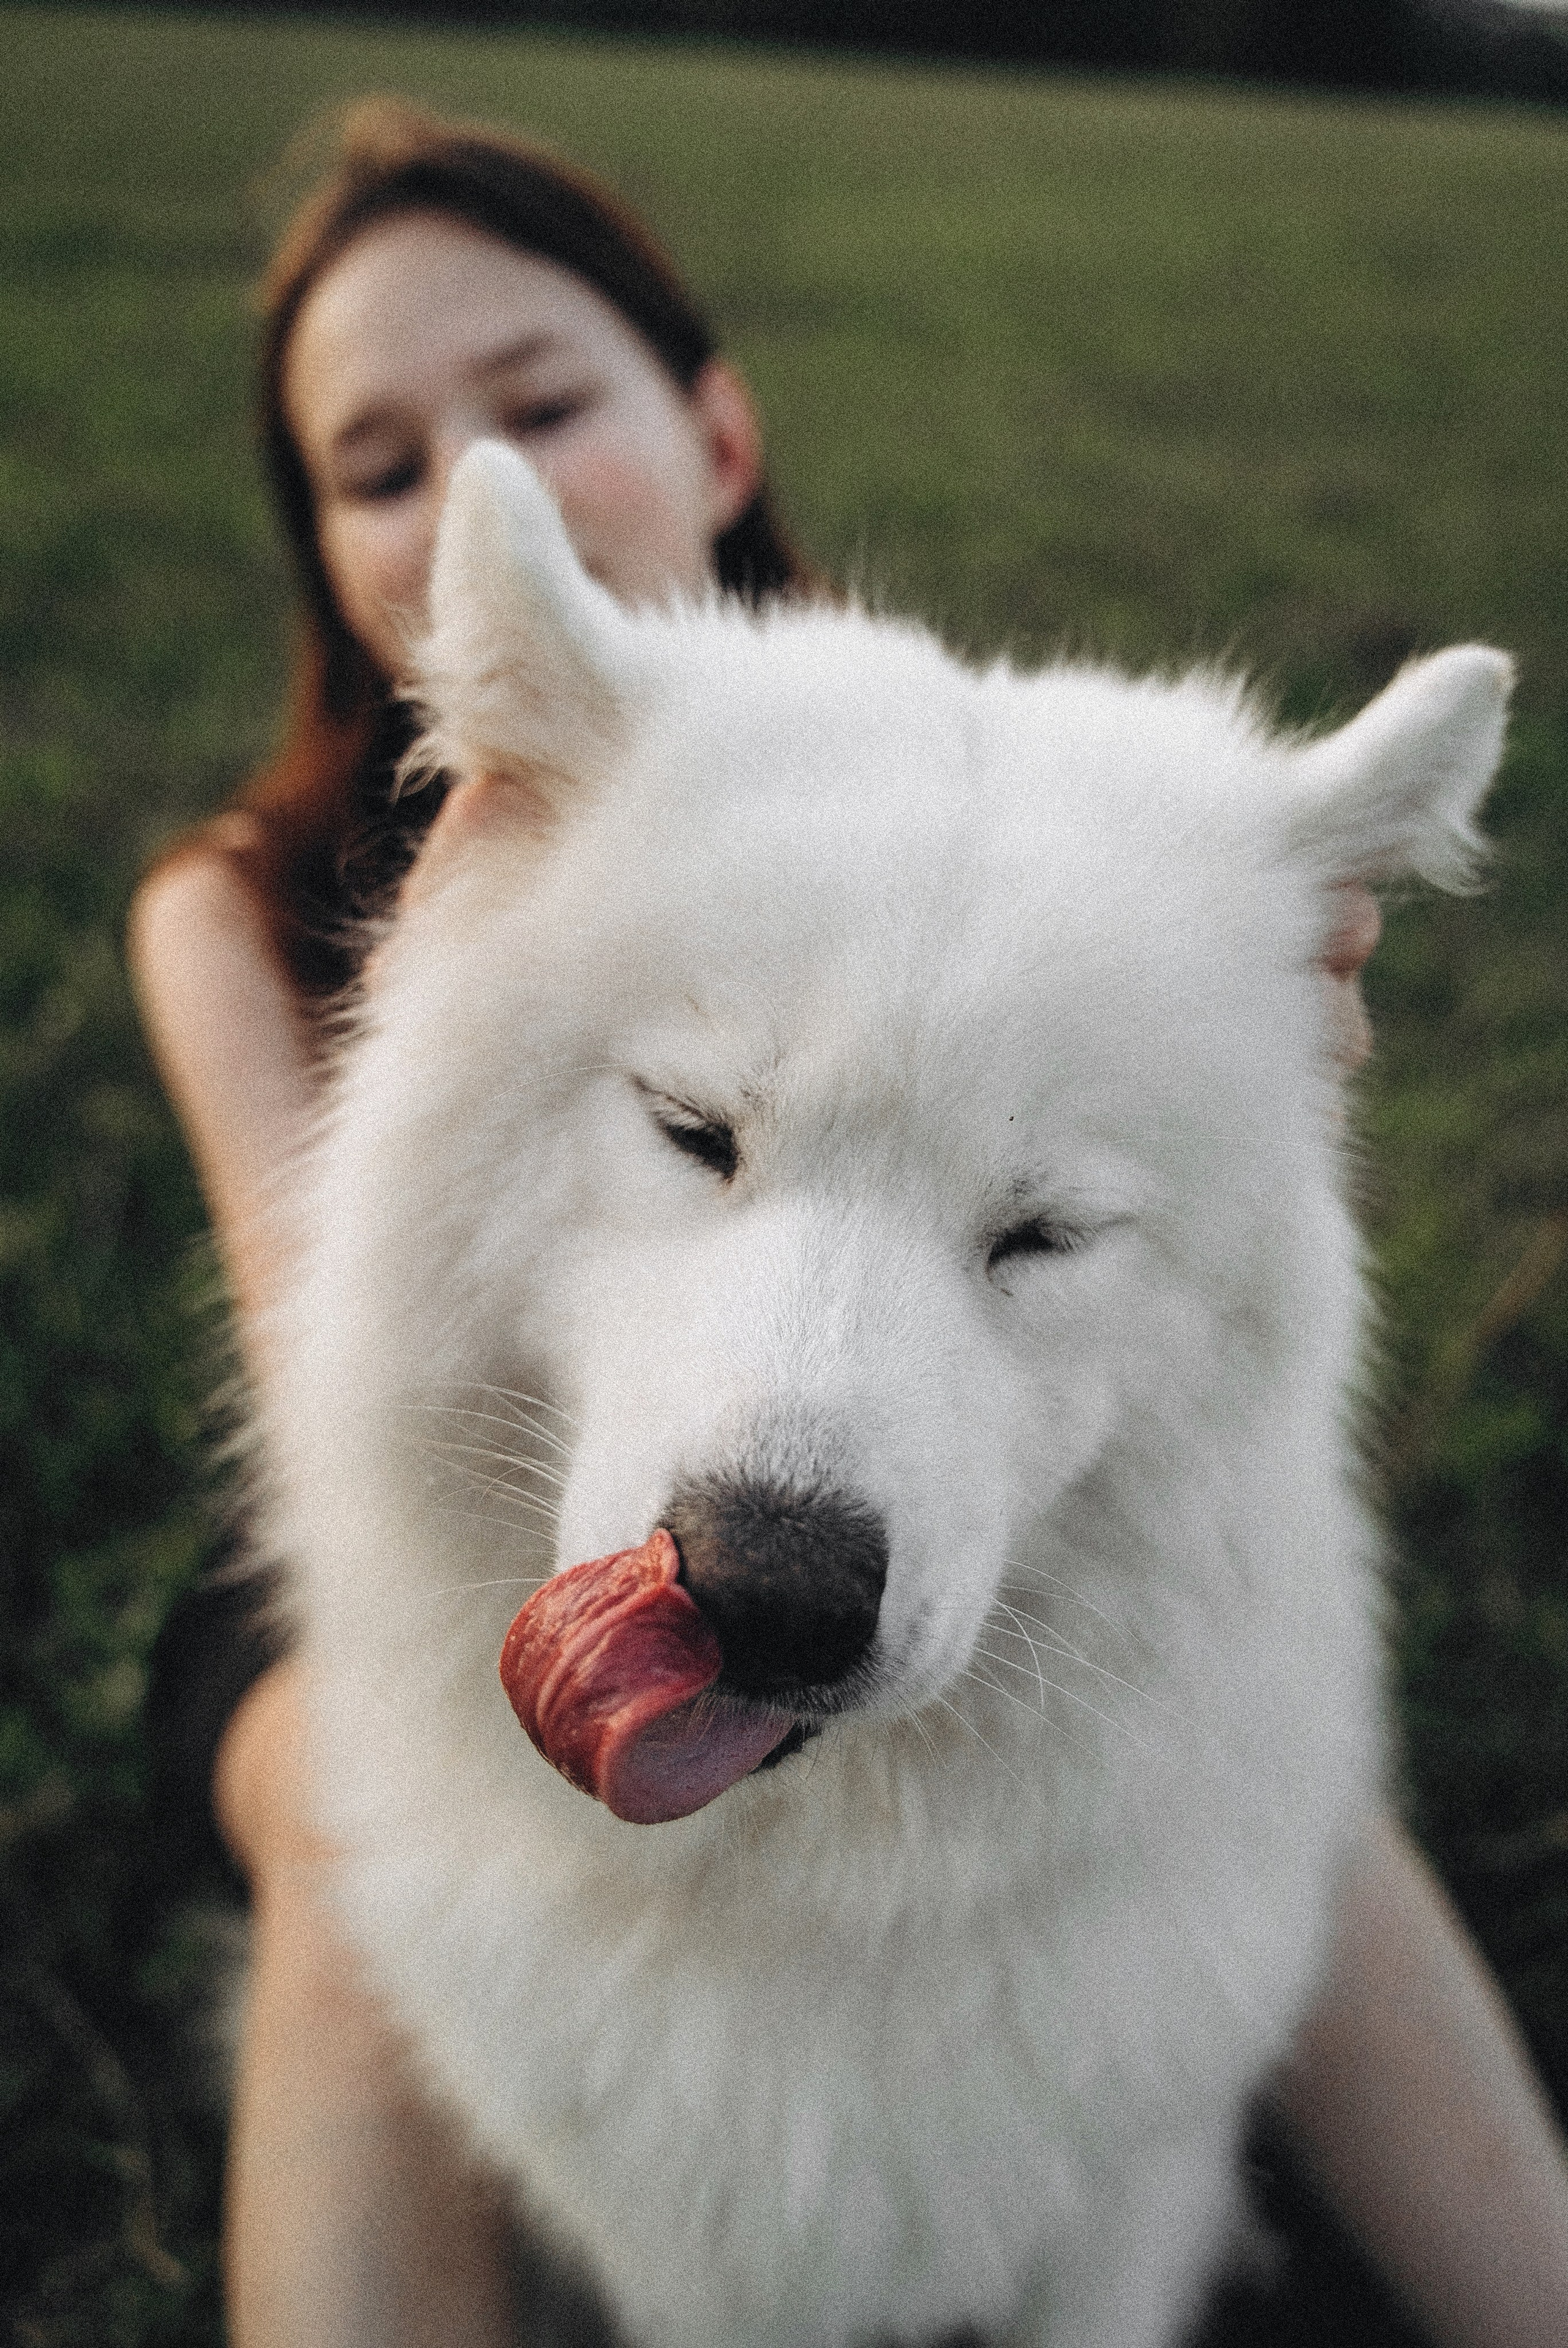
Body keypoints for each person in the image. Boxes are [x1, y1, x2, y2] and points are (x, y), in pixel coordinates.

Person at [129, 98, 1568, 2348]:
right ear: (319, 532)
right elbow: (346, 1337)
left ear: (710, 423)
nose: (457, 494)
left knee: (1301, 1794)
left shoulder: (1033, 828)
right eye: (374, 459)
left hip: (949, 1559)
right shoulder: (250, 894)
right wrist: (470, 943)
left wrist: (1246, 1018)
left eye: (537, 402)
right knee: (344, 1858)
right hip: (406, 1529)